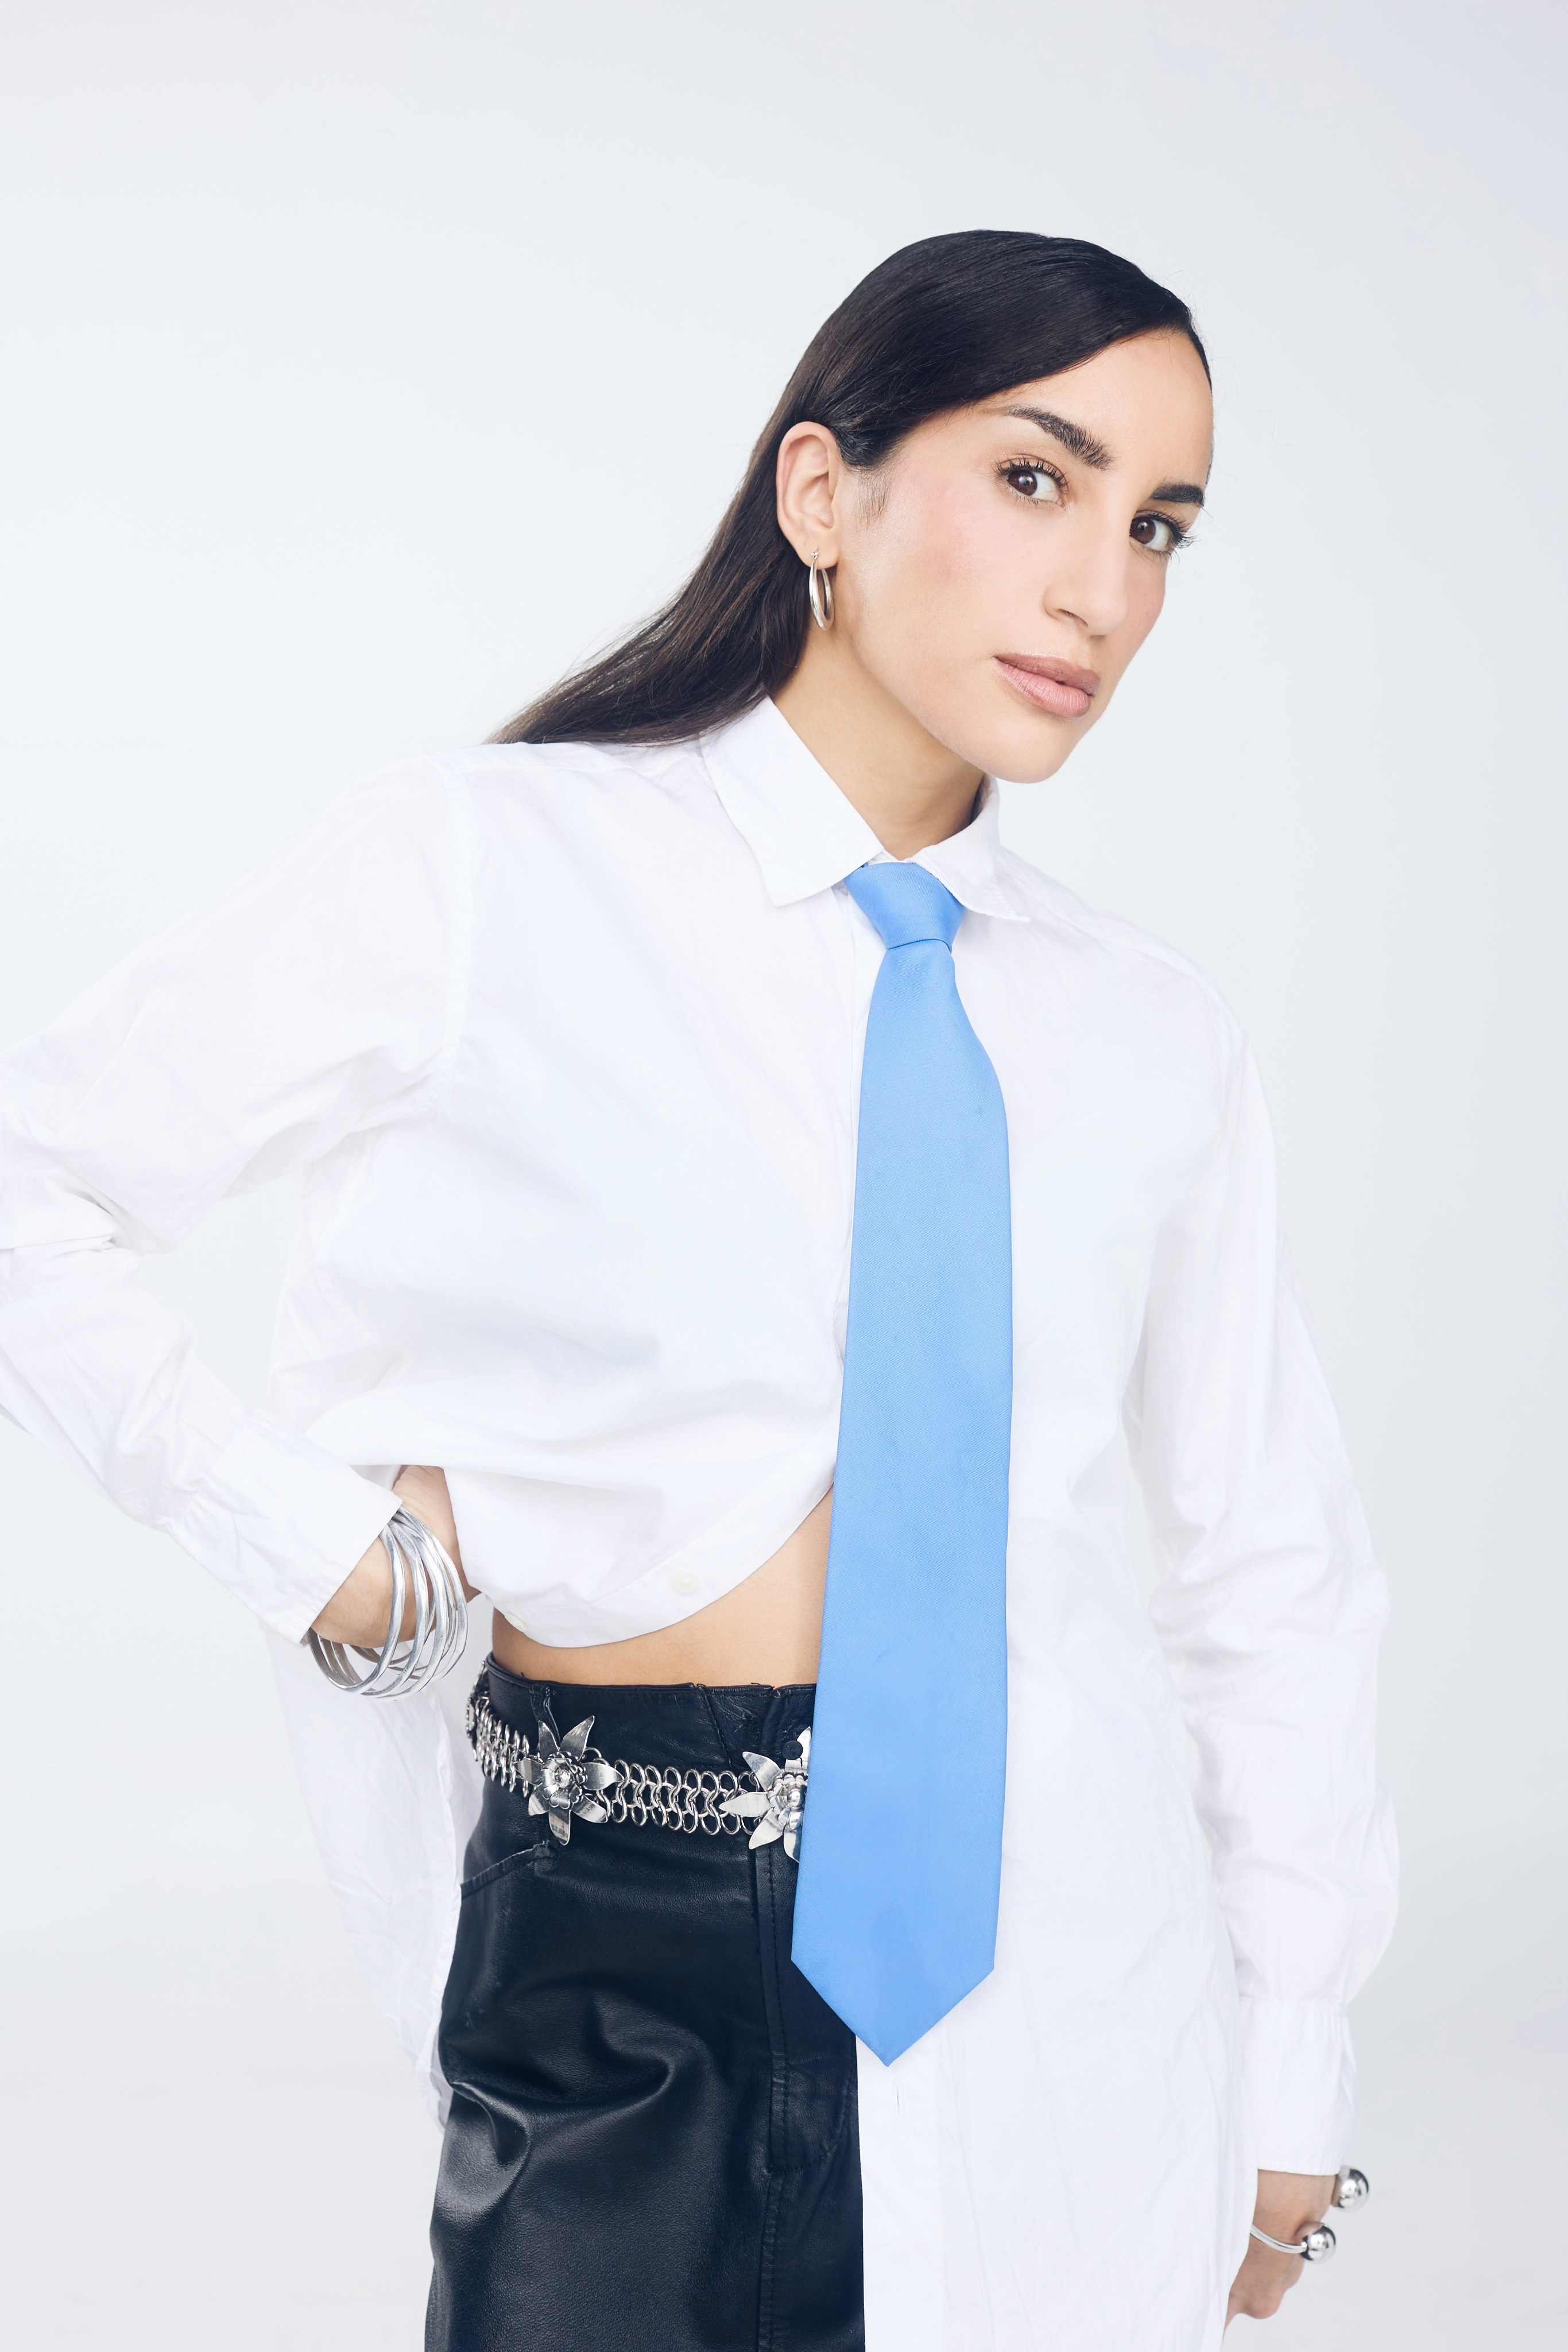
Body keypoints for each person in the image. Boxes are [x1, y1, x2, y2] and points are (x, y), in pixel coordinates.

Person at [0, 230, 1396, 2349]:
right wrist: (309, 1546)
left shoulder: (1147, 1030)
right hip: (624, 1936)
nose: (1103, 587)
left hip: (1078, 1975)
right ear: (818, 492)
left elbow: (1254, 1569)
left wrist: (1291, 2068)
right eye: (1038, 479)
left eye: (1159, 525)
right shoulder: (489, 864)